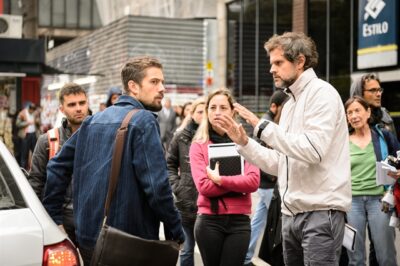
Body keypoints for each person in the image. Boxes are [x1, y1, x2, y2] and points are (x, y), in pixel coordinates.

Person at [214, 32, 352, 266]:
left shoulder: (322, 93)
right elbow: (280, 164)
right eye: (271, 63)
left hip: (320, 213)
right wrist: (244, 142)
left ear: (300, 61)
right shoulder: (288, 106)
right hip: (291, 216)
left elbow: (313, 150)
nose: (271, 69)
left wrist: (262, 127)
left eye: (278, 62)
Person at [42, 56, 185, 265]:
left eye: (162, 82)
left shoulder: (92, 121)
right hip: (130, 242)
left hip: (90, 238)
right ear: (133, 87)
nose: (162, 88)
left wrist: (55, 218)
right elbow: (157, 187)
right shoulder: (143, 121)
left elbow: (56, 166)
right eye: (154, 82)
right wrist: (175, 228)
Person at [189, 88, 260, 266]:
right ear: (207, 112)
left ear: (232, 112)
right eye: (212, 107)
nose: (218, 112)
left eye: (223, 107)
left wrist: (220, 180)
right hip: (209, 221)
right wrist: (238, 183)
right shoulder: (198, 146)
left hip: (239, 222)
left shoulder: (244, 144)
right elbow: (204, 187)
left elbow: (253, 182)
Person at [29, 83, 89, 244]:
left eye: (82, 103)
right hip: (58, 219)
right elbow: (36, 182)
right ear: (62, 109)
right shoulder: (47, 141)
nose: (78, 108)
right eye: (72, 104)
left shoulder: (102, 136)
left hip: (92, 218)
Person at [350, 73, 397, 266]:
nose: (378, 94)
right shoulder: (345, 129)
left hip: (381, 197)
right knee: (355, 255)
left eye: (380, 90)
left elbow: (396, 154)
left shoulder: (384, 123)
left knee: (384, 254)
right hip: (353, 200)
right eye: (373, 90)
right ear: (360, 93)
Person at [244, 89, 288, 266]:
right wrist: (273, 177)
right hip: (269, 182)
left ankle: (246, 255)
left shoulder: (268, 121)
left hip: (266, 183)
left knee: (260, 219)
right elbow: (267, 153)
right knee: (277, 224)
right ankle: (271, 257)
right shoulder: (270, 124)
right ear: (274, 107)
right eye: (284, 107)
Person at [167, 97, 205, 266]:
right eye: (200, 112)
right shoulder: (181, 136)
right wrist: (177, 186)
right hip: (186, 202)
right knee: (187, 249)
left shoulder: (215, 136)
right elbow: (170, 164)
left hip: (208, 205)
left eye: (206, 111)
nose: (203, 116)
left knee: (208, 252)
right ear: (191, 114)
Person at [16, 102, 40, 170]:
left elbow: (39, 123)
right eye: (31, 110)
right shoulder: (22, 113)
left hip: (33, 134)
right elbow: (17, 123)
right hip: (25, 135)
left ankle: (36, 170)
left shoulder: (35, 113)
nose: (32, 112)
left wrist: (38, 121)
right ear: (28, 109)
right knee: (24, 154)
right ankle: (23, 170)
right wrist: (27, 123)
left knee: (35, 153)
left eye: (33, 110)